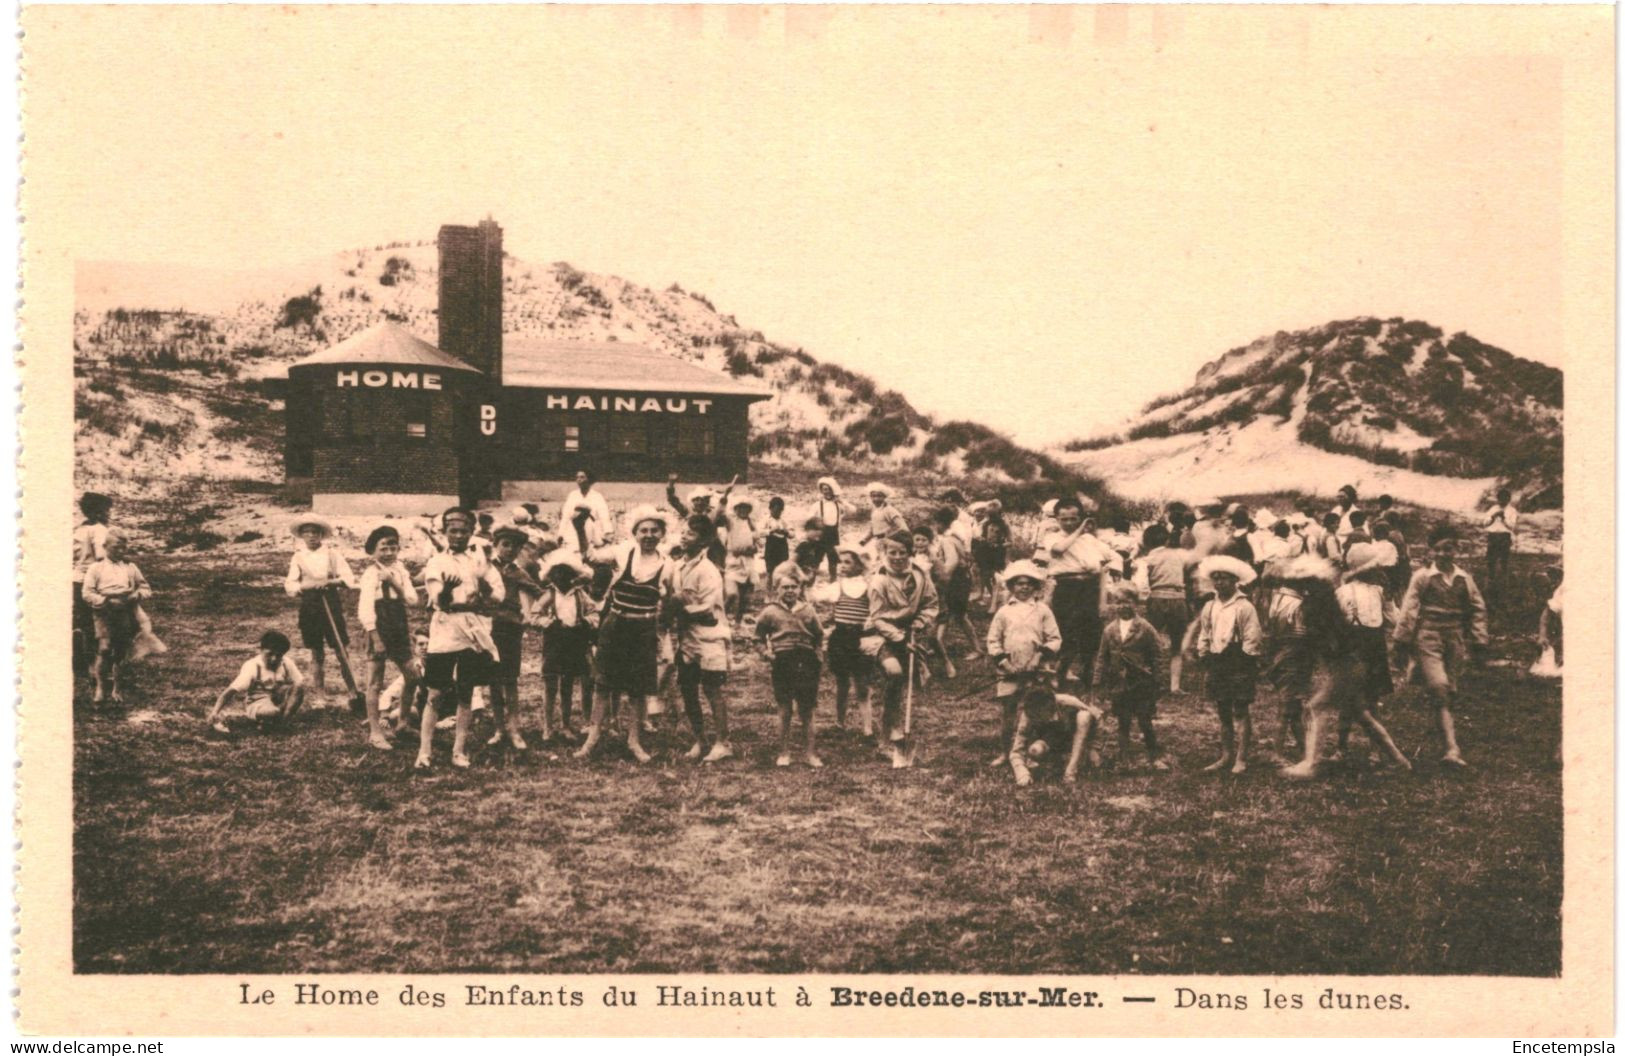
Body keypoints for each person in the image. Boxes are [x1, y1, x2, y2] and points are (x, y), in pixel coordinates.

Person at [576, 506, 676, 763]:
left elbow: (670, 600)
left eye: (655, 530)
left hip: (643, 630)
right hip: (616, 626)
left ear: (662, 534)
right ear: (635, 533)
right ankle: (593, 738)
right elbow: (590, 557)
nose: (649, 535)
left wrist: (661, 630)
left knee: (637, 688)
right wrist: (579, 528)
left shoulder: (668, 564)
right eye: (644, 530)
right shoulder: (622, 552)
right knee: (603, 683)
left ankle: (634, 740)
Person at [416, 507, 505, 771]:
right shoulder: (437, 562)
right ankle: (424, 751)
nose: (458, 536)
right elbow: (437, 600)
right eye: (452, 531)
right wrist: (447, 592)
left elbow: (497, 594)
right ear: (444, 533)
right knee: (436, 692)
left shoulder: (478, 561)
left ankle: (458, 750)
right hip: (445, 630)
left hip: (472, 631)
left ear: (471, 532)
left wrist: (485, 591)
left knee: (466, 690)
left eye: (463, 531)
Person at [1392, 525, 1488, 768]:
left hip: (1454, 640)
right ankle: (1451, 749)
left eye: (1450, 549)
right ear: (1431, 551)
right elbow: (1409, 610)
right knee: (1439, 686)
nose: (1445, 554)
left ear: (1457, 549)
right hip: (1428, 636)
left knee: (1449, 690)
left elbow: (1478, 610)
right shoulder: (1422, 577)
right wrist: (1402, 641)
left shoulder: (1464, 579)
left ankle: (1442, 732)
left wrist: (1479, 640)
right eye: (1440, 550)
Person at [1323, 543, 1412, 772]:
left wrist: (1403, 621)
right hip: (1352, 649)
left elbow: (1395, 618)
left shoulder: (1379, 592)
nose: (1378, 572)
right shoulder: (1342, 593)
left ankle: (1375, 749)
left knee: (1372, 700)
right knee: (1349, 700)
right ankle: (1341, 747)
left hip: (1374, 649)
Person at [868, 530, 940, 768]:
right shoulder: (879, 580)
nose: (897, 557)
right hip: (881, 634)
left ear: (910, 552)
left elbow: (931, 604)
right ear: (885, 552)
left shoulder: (920, 576)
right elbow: (877, 618)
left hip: (911, 632)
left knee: (908, 682)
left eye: (902, 552)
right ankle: (887, 730)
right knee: (894, 673)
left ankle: (896, 731)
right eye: (892, 552)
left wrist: (920, 623)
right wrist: (899, 638)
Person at [985, 560, 1061, 769]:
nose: (1024, 587)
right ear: (1011, 586)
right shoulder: (1003, 612)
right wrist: (1004, 662)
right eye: (1019, 583)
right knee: (1008, 712)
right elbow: (993, 640)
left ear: (1036, 587)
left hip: (1036, 670)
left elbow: (1054, 638)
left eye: (1029, 583)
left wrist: (1039, 657)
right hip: (1010, 670)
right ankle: (1005, 752)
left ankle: (1029, 753)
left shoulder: (1042, 610)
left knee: (1034, 712)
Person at [672, 515, 735, 762]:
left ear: (704, 540)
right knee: (688, 690)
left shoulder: (708, 570)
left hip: (710, 638)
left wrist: (678, 610)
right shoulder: (678, 566)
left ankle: (723, 741)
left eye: (690, 533)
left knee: (712, 689)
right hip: (687, 638)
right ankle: (700, 739)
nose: (684, 536)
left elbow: (708, 610)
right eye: (684, 532)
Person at [1194, 555, 1263, 774]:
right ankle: (1226, 755)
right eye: (1216, 578)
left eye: (1224, 579)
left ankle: (1241, 758)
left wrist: (1245, 658)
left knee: (1240, 709)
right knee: (1223, 709)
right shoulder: (1210, 606)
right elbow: (1205, 632)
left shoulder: (1244, 607)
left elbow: (1252, 637)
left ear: (1235, 580)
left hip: (1239, 661)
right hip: (1217, 661)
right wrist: (1203, 652)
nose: (1220, 583)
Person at [1093, 582, 1168, 770]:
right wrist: (1097, 681)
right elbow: (1102, 657)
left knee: (1145, 719)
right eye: (1118, 602)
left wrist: (1158, 680)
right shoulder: (1110, 630)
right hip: (1120, 684)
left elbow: (1158, 655)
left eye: (1127, 602)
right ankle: (1123, 758)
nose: (1123, 606)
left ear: (1136, 604)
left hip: (1141, 683)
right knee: (1123, 720)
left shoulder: (1145, 628)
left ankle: (1154, 756)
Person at [357, 525, 420, 750]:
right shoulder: (370, 574)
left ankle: (403, 723)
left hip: (399, 627)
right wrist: (375, 637)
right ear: (373, 551)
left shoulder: (401, 571)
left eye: (393, 547)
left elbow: (412, 600)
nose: (389, 552)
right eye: (384, 548)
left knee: (412, 676)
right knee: (375, 682)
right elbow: (364, 609)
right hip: (378, 627)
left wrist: (393, 581)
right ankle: (375, 732)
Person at [282, 515, 357, 703]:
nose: (311, 536)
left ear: (321, 535)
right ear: (302, 536)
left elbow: (348, 578)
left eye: (315, 532)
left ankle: (354, 692)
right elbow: (290, 584)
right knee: (317, 652)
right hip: (310, 607)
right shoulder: (298, 557)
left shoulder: (333, 554)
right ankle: (320, 696)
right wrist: (304, 587)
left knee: (341, 649)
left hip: (331, 604)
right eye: (307, 533)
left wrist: (329, 582)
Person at [755, 574, 825, 767]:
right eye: (785, 587)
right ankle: (784, 753)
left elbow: (818, 635)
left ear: (800, 589)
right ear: (777, 589)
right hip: (783, 661)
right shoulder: (770, 611)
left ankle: (810, 754)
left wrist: (818, 655)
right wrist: (766, 654)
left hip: (806, 660)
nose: (790, 591)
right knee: (785, 709)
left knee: (807, 709)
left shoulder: (808, 610)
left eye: (794, 587)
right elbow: (758, 637)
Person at [1042, 497, 1113, 687]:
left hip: (1090, 588)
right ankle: (1060, 672)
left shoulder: (1091, 541)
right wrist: (1081, 530)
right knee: (1066, 632)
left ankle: (1089, 676)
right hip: (1066, 589)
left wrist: (1103, 601)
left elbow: (1103, 569)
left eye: (1073, 519)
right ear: (1056, 519)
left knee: (1091, 633)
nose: (1069, 523)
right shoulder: (1052, 537)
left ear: (1080, 518)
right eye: (1064, 519)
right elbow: (1059, 549)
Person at [533, 551, 599, 743]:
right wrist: (549, 622)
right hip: (554, 643)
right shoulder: (549, 595)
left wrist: (584, 621)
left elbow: (594, 613)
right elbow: (533, 615)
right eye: (557, 573)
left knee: (568, 683)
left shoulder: (580, 595)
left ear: (573, 576)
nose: (562, 577)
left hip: (575, 642)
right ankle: (547, 726)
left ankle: (565, 724)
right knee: (550, 683)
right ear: (551, 576)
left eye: (567, 573)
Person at [80, 528, 152, 705]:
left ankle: (117, 689)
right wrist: (105, 601)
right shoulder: (95, 568)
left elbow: (146, 588)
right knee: (104, 649)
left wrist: (136, 595)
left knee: (121, 651)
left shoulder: (130, 567)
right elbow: (87, 593)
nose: (120, 552)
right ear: (105, 547)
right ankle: (100, 688)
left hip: (125, 610)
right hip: (104, 611)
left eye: (123, 548)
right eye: (116, 548)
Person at [808, 543, 874, 734]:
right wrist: (808, 581)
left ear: (859, 565)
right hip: (841, 638)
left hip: (861, 638)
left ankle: (867, 727)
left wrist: (871, 622)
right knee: (842, 682)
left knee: (862, 683)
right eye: (840, 562)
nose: (842, 566)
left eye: (848, 562)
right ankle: (840, 722)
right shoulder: (838, 586)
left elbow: (877, 607)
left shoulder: (869, 586)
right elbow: (817, 597)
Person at [488, 526, 543, 750]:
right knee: (492, 679)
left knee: (510, 680)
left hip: (510, 629)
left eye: (515, 546)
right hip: (487, 628)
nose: (510, 550)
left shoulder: (518, 572)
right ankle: (499, 728)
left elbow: (540, 592)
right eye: (505, 544)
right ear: (496, 546)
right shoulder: (485, 568)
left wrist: (533, 614)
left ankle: (514, 729)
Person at [1261, 558, 1315, 755]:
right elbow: (1302, 636)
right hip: (1295, 658)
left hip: (1280, 656)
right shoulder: (1297, 604)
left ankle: (1304, 748)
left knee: (1293, 706)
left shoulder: (1277, 599)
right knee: (1287, 707)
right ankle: (1276, 752)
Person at [207, 630, 306, 733]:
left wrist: (288, 695)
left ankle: (283, 723)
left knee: (298, 688)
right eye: (270, 654)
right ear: (261, 650)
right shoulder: (252, 667)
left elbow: (299, 682)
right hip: (257, 701)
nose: (274, 659)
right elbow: (230, 692)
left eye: (278, 655)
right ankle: (270, 721)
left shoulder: (286, 662)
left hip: (277, 697)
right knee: (273, 712)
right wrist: (215, 712)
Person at [1136, 523, 1195, 693]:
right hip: (1178, 599)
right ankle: (1174, 686)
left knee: (1149, 641)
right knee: (1177, 644)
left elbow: (1140, 584)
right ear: (1168, 539)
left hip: (1157, 599)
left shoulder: (1147, 560)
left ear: (1146, 543)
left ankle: (1150, 680)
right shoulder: (1179, 555)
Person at [1008, 686, 1104, 787]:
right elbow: (1016, 751)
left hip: (1073, 736)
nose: (1050, 718)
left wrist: (1095, 747)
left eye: (1050, 712)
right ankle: (1052, 762)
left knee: (1084, 716)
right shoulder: (1028, 715)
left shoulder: (1068, 701)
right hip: (1050, 740)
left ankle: (1071, 769)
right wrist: (1022, 774)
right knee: (1035, 750)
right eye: (1043, 716)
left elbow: (1097, 716)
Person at [930, 506, 982, 667]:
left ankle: (977, 649)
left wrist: (943, 577)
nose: (935, 528)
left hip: (956, 581)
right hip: (962, 579)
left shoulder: (947, 540)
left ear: (940, 523)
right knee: (949, 613)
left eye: (936, 524)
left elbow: (952, 561)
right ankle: (938, 644)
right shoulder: (955, 538)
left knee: (958, 615)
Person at [73, 491, 113, 679]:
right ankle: (96, 664)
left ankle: (79, 660)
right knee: (100, 622)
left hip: (75, 579)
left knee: (82, 621)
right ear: (98, 513)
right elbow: (100, 555)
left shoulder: (78, 529)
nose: (109, 514)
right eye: (107, 511)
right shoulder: (100, 530)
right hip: (93, 581)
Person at [722, 500, 759, 633]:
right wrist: (723, 498)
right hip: (733, 561)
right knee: (732, 594)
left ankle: (738, 621)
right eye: (740, 508)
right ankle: (722, 617)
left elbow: (757, 543)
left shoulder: (752, 523)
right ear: (736, 509)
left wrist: (753, 548)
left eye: (746, 509)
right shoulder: (731, 522)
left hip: (748, 562)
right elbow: (721, 516)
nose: (743, 511)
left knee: (744, 597)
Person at [559, 470, 613, 555]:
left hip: (591, 527)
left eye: (582, 477)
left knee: (589, 551)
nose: (579, 480)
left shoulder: (597, 496)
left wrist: (608, 532)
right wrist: (560, 533)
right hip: (573, 527)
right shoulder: (573, 495)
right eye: (577, 477)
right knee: (573, 550)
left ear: (589, 479)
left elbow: (604, 515)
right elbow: (565, 516)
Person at [973, 499, 1011, 614]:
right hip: (986, 552)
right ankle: (991, 597)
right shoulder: (986, 524)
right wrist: (982, 539)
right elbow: (983, 536)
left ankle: (994, 604)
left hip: (997, 553)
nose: (991, 518)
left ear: (1000, 514)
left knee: (996, 578)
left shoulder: (1004, 525)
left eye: (994, 516)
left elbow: (1010, 541)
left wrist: (999, 545)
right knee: (984, 574)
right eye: (989, 515)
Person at [1483, 487, 1519, 597]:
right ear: (1498, 499)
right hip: (1493, 536)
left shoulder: (1512, 511)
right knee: (1490, 561)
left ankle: (1504, 585)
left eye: (1505, 499)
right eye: (1500, 499)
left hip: (1504, 537)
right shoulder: (1493, 508)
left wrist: (1503, 519)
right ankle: (1490, 584)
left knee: (1504, 561)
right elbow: (1485, 524)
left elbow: (1512, 526)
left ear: (1508, 499)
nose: (1502, 501)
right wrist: (1493, 517)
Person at [813, 477, 846, 580]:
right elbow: (809, 518)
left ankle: (833, 581)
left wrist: (842, 501)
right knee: (816, 560)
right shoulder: (818, 505)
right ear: (821, 491)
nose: (826, 492)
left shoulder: (838, 505)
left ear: (833, 490)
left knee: (833, 561)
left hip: (833, 535)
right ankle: (810, 582)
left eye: (828, 489)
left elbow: (853, 510)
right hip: (822, 535)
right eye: (824, 489)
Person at [762, 497, 791, 585]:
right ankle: (769, 591)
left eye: (779, 511)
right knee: (770, 570)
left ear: (782, 511)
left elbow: (792, 534)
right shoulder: (766, 520)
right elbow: (759, 532)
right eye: (774, 510)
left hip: (782, 547)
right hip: (771, 547)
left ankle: (780, 588)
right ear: (770, 509)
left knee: (782, 569)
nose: (776, 513)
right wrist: (770, 531)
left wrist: (785, 532)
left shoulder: (784, 521)